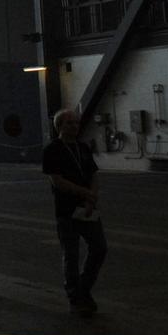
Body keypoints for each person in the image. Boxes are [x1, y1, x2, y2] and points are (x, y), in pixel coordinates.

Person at [42, 108, 107, 317]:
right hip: (66, 210)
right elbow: (57, 181)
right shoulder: (52, 150)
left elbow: (94, 174)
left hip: (87, 209)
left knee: (99, 248)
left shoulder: (83, 148)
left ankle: (83, 288)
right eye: (69, 123)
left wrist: (91, 198)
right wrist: (86, 193)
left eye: (76, 123)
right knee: (71, 255)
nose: (75, 126)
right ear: (59, 126)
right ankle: (75, 297)